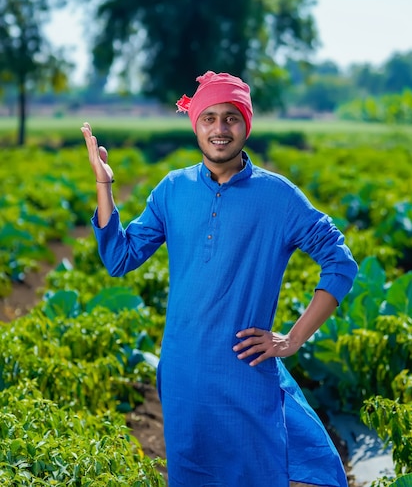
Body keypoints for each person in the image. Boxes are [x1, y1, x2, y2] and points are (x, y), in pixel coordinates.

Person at [81, 70, 358, 487]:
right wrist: (104, 184)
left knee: (263, 472)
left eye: (231, 117)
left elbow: (340, 262)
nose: (220, 129)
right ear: (196, 125)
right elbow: (120, 257)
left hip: (245, 370)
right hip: (182, 372)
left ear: (246, 123)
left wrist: (294, 339)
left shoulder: (278, 196)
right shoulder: (172, 190)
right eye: (209, 118)